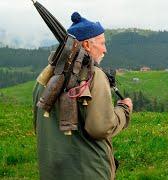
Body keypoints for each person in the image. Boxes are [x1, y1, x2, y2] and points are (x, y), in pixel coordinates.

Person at [33, 12, 133, 180]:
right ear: (86, 44)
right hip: (88, 171)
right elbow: (100, 128)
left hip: (51, 170)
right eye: (102, 43)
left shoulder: (45, 76)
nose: (105, 49)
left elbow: (38, 125)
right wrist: (124, 109)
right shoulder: (95, 76)